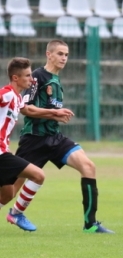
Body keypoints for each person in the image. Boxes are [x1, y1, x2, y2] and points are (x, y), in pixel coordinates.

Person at [12, 39, 114, 233]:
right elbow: (25, 108)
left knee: (88, 166)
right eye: (60, 54)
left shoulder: (57, 81)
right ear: (48, 54)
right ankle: (15, 212)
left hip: (54, 138)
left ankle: (90, 224)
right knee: (9, 189)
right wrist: (54, 113)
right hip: (34, 140)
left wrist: (55, 115)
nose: (64, 58)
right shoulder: (37, 77)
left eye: (66, 54)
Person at [0, 57, 71, 232]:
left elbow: (29, 110)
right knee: (38, 175)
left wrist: (54, 114)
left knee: (8, 192)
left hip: (3, 151)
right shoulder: (7, 93)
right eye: (27, 76)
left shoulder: (17, 99)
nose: (31, 79)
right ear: (16, 78)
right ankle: (17, 214)